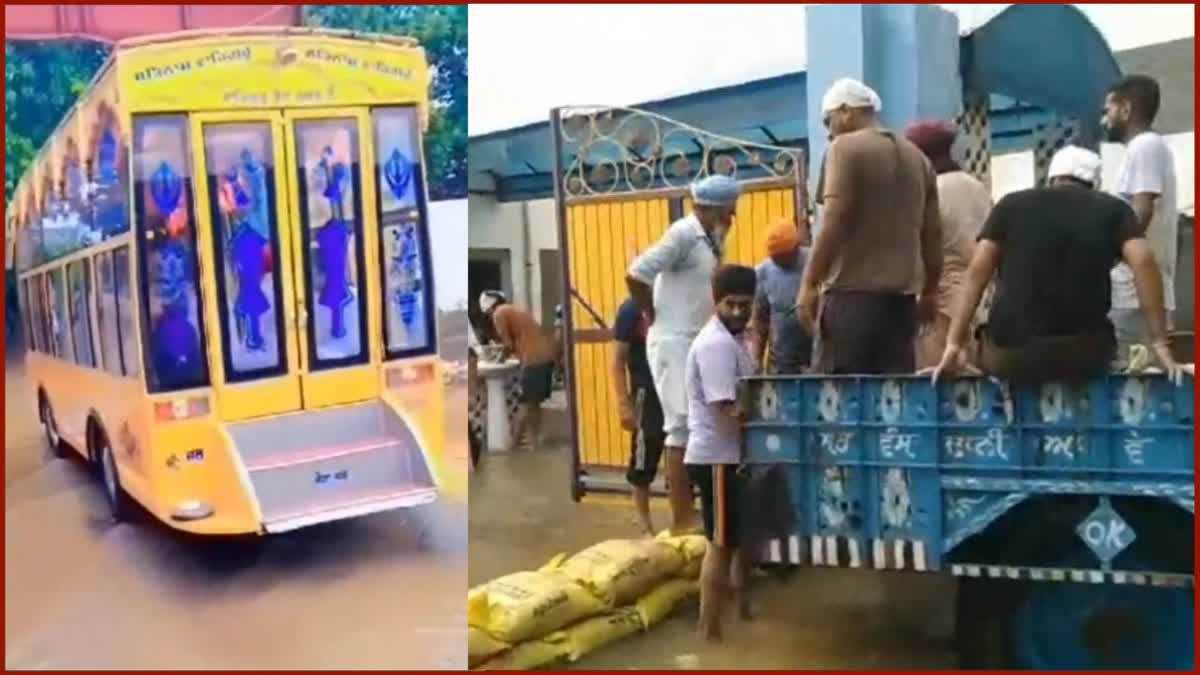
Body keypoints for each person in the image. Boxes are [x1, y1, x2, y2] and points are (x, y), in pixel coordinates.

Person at [927, 146, 1183, 385]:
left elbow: (977, 273)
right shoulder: (1114, 209)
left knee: (990, 340)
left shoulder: (1011, 205)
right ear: (1094, 184)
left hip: (1012, 358)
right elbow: (1143, 261)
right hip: (1085, 358)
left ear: (1051, 179)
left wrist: (954, 343)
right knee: (1103, 343)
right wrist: (1159, 344)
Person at [797, 78, 943, 374]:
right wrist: (930, 291)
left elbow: (835, 219)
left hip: (851, 301)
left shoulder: (844, 149)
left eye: (829, 121)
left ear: (846, 111)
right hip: (901, 306)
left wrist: (810, 283)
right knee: (891, 403)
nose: (829, 131)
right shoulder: (918, 158)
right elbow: (932, 233)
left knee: (843, 404)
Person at [627, 174, 740, 532]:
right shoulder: (683, 233)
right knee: (680, 428)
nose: (733, 216)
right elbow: (636, 274)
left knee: (700, 426)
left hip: (697, 341)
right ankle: (681, 518)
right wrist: (652, 314)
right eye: (729, 210)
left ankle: (699, 509)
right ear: (712, 208)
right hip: (673, 341)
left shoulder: (710, 240)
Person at [684, 264, 758, 641]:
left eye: (745, 305)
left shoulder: (737, 341)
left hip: (730, 456)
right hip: (717, 457)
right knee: (721, 544)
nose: (738, 312)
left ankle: (741, 613)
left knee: (737, 541)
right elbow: (727, 409)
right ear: (716, 303)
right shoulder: (715, 345)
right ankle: (708, 632)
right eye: (731, 304)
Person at [1101, 74, 1179, 367]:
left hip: (1135, 297)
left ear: (1125, 109)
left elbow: (1141, 213)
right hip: (1135, 296)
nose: (1103, 120)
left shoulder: (1145, 146)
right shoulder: (1146, 148)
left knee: (1132, 390)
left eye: (1106, 111)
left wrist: (1105, 257)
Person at [904, 120, 993, 369]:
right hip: (979, 299)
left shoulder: (932, 191)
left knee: (938, 383)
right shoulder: (976, 187)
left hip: (940, 304)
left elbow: (922, 246)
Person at [611, 295, 665, 535]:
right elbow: (617, 362)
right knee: (644, 454)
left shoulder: (680, 300)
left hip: (675, 389)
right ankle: (644, 525)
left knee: (683, 455)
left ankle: (681, 521)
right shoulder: (632, 309)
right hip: (646, 391)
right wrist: (623, 403)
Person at [479, 290, 558, 451]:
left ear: (488, 308)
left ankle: (513, 447)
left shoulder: (499, 314)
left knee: (524, 403)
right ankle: (535, 442)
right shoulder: (514, 309)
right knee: (534, 403)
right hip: (545, 357)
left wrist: (498, 359)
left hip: (532, 360)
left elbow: (508, 345)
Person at [749, 220, 813, 374]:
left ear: (796, 247)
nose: (779, 261)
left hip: (816, 358)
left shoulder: (815, 263)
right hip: (782, 362)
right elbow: (760, 321)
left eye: (784, 257)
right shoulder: (762, 273)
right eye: (775, 257)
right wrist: (756, 360)